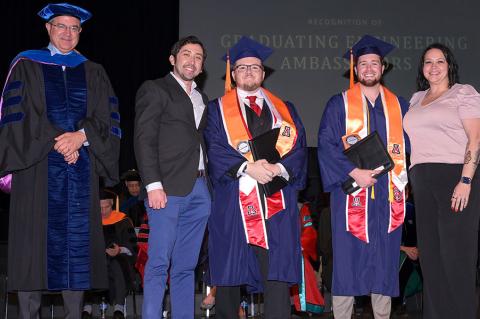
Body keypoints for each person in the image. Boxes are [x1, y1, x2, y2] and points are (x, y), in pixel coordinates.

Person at [0, 3, 120, 319]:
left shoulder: (94, 71)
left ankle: (73, 314)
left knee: (76, 246)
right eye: (61, 26)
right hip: (37, 168)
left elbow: (107, 119)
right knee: (32, 247)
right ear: (48, 29)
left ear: (81, 32)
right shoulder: (26, 65)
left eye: (74, 28)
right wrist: (61, 139)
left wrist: (81, 137)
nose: (68, 33)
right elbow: (18, 116)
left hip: (80, 169)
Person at [205, 36, 307, 319]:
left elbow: (298, 147)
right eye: (242, 67)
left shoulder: (284, 110)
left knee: (276, 274)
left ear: (263, 73)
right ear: (233, 73)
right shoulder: (217, 110)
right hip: (234, 201)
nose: (248, 72)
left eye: (254, 67)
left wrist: (278, 169)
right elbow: (214, 147)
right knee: (229, 273)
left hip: (276, 200)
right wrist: (248, 168)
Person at [317, 35, 409, 319]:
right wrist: (354, 172)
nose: (369, 69)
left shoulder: (399, 106)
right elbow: (326, 143)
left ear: (383, 68)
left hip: (386, 197)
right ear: (355, 70)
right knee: (347, 263)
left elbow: (410, 147)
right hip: (350, 195)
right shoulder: (339, 104)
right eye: (363, 64)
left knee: (383, 262)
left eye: (375, 64)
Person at [134, 35, 211, 319]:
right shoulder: (155, 89)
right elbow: (143, 139)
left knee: (185, 267)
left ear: (202, 66)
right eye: (186, 54)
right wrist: (153, 184)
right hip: (166, 189)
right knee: (158, 264)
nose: (192, 61)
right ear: (173, 59)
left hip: (201, 189)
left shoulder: (202, 97)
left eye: (198, 57)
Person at [403, 43, 480, 319]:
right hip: (421, 181)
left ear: (449, 66)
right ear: (422, 68)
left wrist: (466, 180)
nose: (433, 67)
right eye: (428, 62)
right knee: (431, 260)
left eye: (440, 62)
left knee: (455, 259)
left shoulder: (463, 93)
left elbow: (475, 139)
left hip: (454, 179)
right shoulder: (415, 99)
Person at [83, 189, 137, 319]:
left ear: (112, 203)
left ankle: (118, 307)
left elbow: (132, 247)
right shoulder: (90, 221)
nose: (103, 211)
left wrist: (119, 250)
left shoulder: (123, 220)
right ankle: (87, 307)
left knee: (117, 264)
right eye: (99, 207)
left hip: (118, 258)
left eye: (106, 207)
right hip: (95, 258)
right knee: (86, 265)